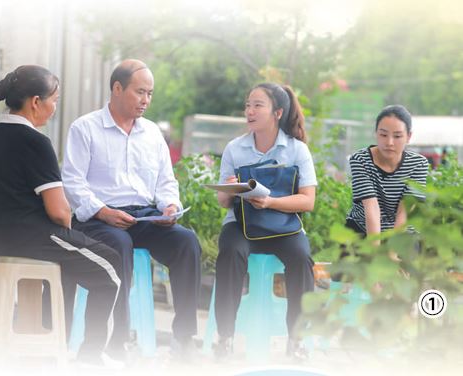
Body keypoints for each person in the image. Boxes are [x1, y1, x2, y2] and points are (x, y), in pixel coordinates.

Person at [0, 65, 124, 366]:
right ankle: (90, 358)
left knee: (69, 260)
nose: (55, 108)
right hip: (25, 238)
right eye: (54, 100)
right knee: (110, 268)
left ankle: (43, 348)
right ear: (35, 102)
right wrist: (70, 230)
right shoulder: (35, 142)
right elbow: (59, 211)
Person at [61, 59, 201, 358]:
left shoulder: (151, 134)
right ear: (117, 88)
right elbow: (72, 183)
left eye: (150, 93)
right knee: (119, 244)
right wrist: (103, 212)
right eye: (140, 92)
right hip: (99, 219)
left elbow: (166, 180)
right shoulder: (85, 128)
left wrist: (169, 206)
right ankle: (118, 339)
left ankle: (184, 338)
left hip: (145, 217)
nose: (146, 100)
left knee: (186, 241)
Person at [214, 83, 317, 360]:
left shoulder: (297, 150)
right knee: (231, 253)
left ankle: (297, 341)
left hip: (284, 226)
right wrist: (229, 188)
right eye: (248, 104)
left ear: (277, 113)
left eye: (258, 105)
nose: (250, 110)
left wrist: (270, 202)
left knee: (302, 258)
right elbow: (224, 203)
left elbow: (307, 201)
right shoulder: (234, 149)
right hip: (242, 225)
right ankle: (224, 338)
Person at [345, 105, 429, 237]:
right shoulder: (360, 160)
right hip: (362, 228)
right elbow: (371, 207)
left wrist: (392, 252)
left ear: (408, 136)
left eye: (397, 136)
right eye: (383, 135)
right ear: (376, 133)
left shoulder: (418, 164)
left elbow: (404, 211)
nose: (389, 142)